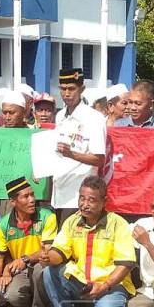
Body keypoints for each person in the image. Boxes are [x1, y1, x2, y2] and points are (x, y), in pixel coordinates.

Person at [41, 176, 136, 307]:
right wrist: (48, 257)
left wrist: (104, 286)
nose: (84, 204)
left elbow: (126, 264)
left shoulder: (118, 224)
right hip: (81, 282)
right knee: (49, 273)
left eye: (91, 200)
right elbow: (59, 252)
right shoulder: (72, 221)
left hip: (110, 285)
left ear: (103, 201)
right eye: (82, 198)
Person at [0, 177, 58, 307]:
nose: (32, 200)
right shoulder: (3, 225)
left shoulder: (47, 216)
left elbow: (48, 250)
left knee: (41, 269)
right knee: (9, 294)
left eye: (32, 194)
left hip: (42, 263)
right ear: (13, 202)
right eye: (26, 196)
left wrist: (25, 259)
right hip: (21, 271)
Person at [52, 68, 106, 211]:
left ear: (82, 89)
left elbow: (99, 159)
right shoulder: (60, 116)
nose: (67, 93)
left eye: (71, 89)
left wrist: (72, 154)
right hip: (58, 193)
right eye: (63, 89)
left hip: (79, 195)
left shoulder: (94, 118)